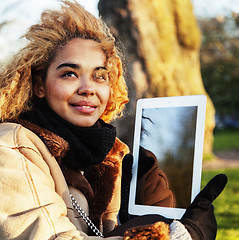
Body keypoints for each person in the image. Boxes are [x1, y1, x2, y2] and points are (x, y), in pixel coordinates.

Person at [0, 1, 227, 239]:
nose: (88, 88)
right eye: (70, 74)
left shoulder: (106, 159)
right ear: (39, 85)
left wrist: (145, 217)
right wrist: (179, 236)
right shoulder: (12, 148)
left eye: (100, 76)